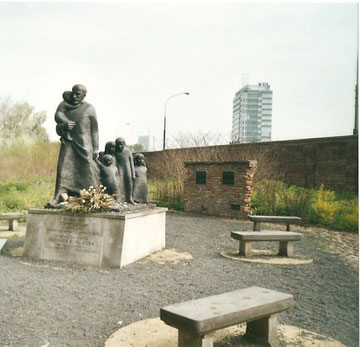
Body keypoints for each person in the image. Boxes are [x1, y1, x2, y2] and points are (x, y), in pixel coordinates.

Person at [46, 84, 99, 208]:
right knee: (63, 168)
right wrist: (64, 126)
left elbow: (95, 130)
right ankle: (59, 195)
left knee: (88, 170)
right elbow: (57, 122)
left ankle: (93, 197)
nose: (74, 96)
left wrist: (96, 148)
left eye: (78, 94)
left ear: (84, 95)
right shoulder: (65, 107)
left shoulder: (89, 108)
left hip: (84, 145)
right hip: (69, 144)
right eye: (73, 93)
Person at [114, 137, 135, 204]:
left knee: (129, 183)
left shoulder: (127, 151)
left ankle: (130, 198)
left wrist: (133, 173)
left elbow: (131, 163)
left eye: (121, 144)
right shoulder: (115, 151)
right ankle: (121, 199)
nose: (120, 146)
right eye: (118, 144)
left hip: (127, 170)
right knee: (120, 184)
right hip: (119, 170)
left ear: (124, 144)